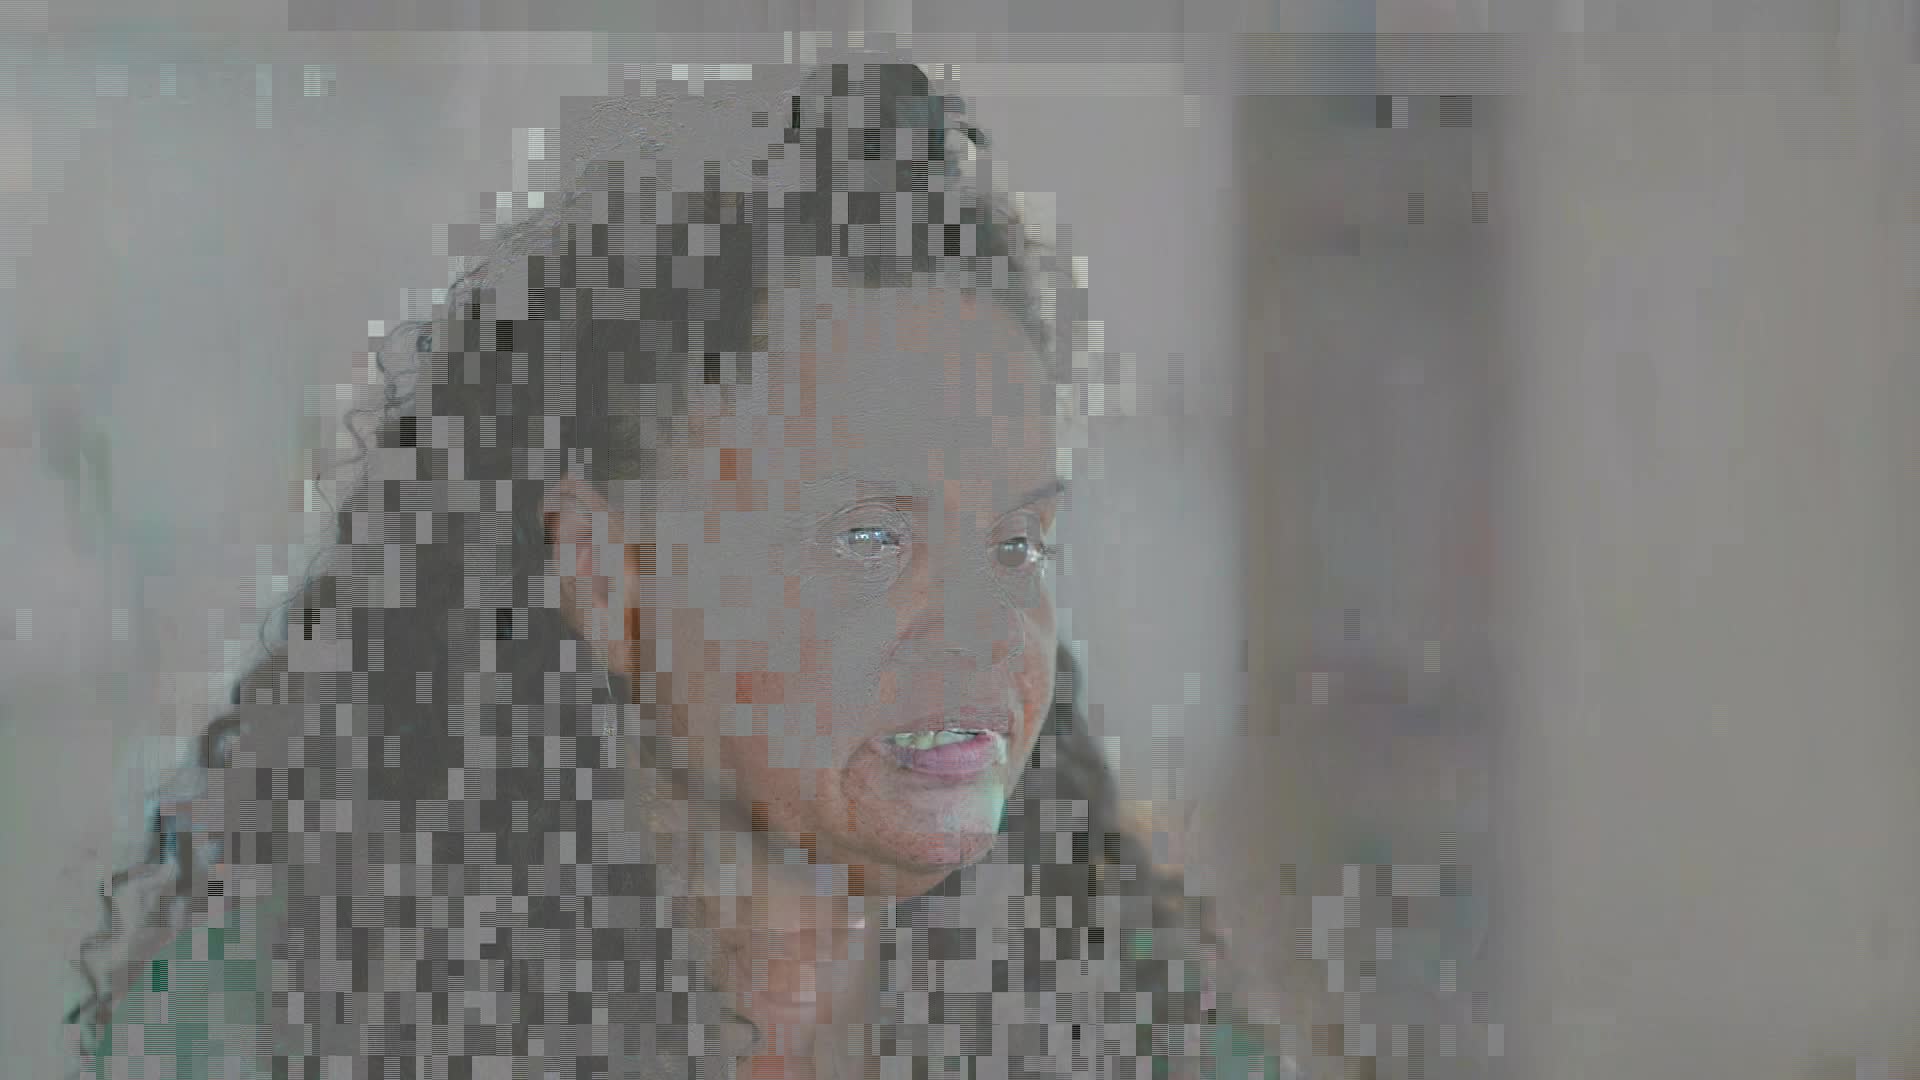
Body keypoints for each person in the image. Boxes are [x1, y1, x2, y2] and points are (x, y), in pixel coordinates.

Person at [66, 58, 1311, 1080]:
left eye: (1017, 544)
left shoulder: (1135, 1034)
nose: (985, 636)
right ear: (606, 576)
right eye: (872, 538)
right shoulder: (287, 1022)